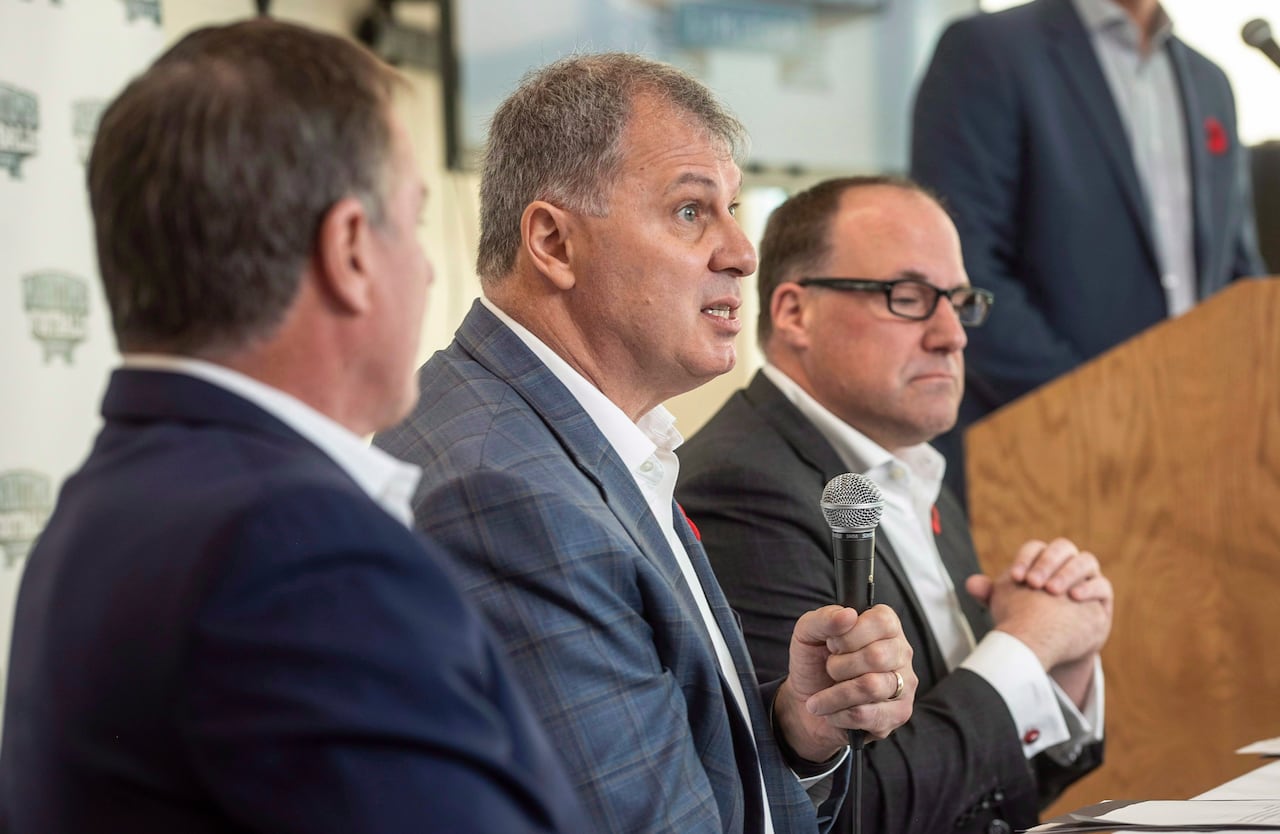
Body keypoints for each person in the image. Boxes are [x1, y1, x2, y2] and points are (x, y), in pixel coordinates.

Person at [0, 19, 587, 834]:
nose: (423, 267)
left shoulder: (109, 498)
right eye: (413, 222)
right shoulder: (299, 549)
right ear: (350, 249)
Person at [374, 54, 916, 834]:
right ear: (554, 244)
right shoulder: (502, 486)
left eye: (733, 207)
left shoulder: (570, 436)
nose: (742, 252)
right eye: (693, 212)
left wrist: (797, 731)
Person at [676, 177, 1113, 834]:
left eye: (960, 302)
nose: (951, 336)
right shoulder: (743, 485)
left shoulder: (910, 470)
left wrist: (1064, 665)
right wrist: (1026, 644)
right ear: (795, 313)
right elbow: (850, 810)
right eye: (908, 298)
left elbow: (982, 789)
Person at [911, 0, 1266, 503]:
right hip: (1045, 446)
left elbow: (1236, 267)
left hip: (1198, 449)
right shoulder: (989, 50)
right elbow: (966, 269)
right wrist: (1104, 407)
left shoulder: (1211, 81)